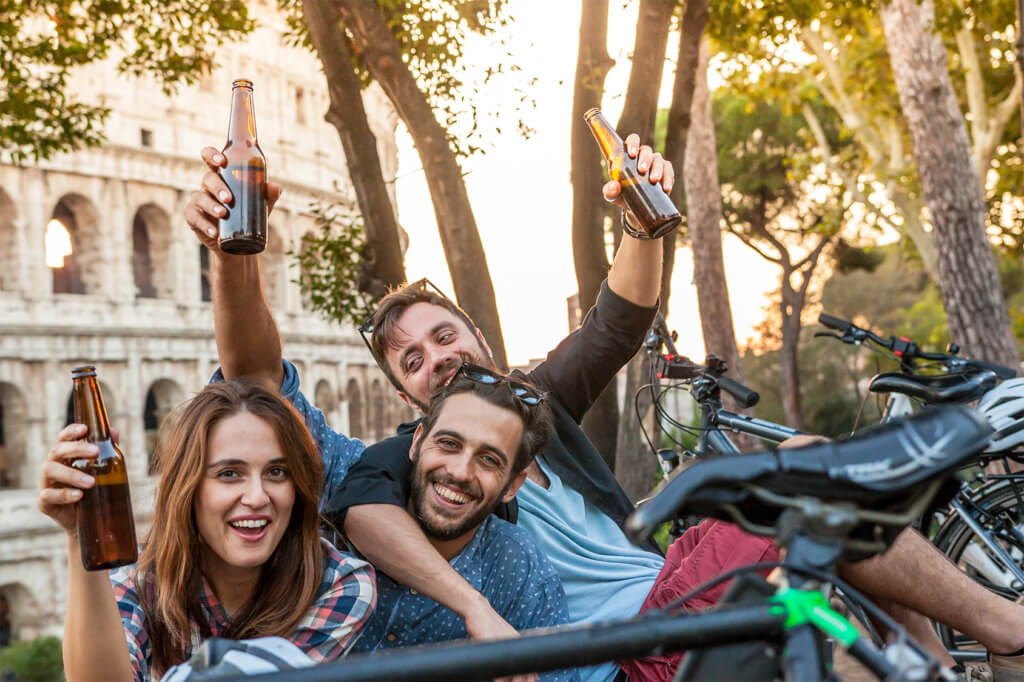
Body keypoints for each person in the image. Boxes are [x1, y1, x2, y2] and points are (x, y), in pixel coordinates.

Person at [184, 138, 1024, 680]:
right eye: (413, 360)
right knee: (803, 489)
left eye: (445, 336)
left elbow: (620, 318)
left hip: (680, 584)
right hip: (627, 647)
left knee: (814, 478)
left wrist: (644, 223)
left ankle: (940, 653)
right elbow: (261, 383)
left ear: (479, 335)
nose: (436, 358)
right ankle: (1006, 628)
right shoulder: (406, 469)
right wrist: (233, 257)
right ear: (409, 397)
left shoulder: (539, 401)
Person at [38, 380, 377, 681]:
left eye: (276, 472)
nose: (257, 497)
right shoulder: (140, 579)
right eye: (229, 474)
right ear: (188, 488)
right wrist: (79, 537)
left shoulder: (340, 584)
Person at [348, 364, 577, 681]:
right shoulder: (342, 478)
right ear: (416, 442)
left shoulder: (520, 570)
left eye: (489, 460)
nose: (459, 472)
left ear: (513, 485)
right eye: (449, 443)